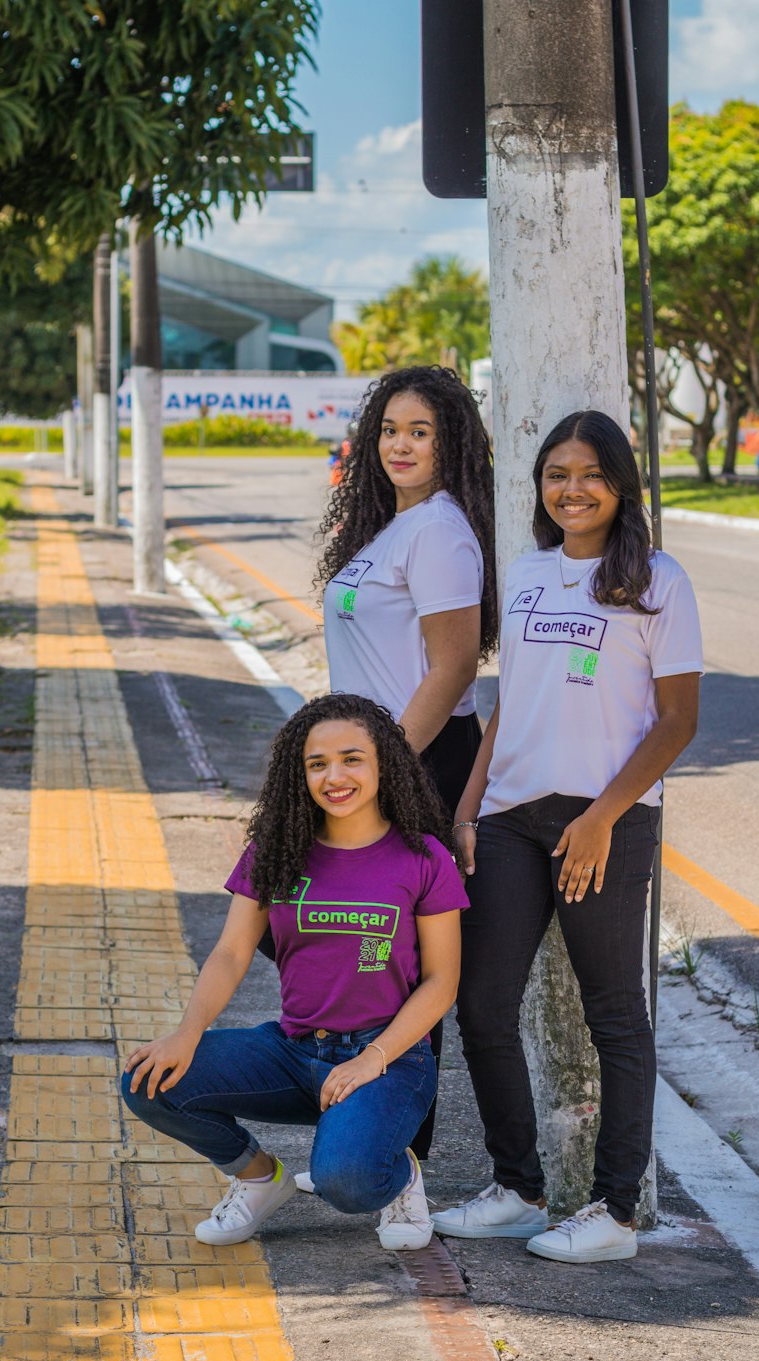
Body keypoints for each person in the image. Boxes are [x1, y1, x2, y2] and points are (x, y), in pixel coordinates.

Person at [431, 410, 703, 1265]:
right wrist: (468, 809)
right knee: (479, 1004)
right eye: (556, 474)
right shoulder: (525, 575)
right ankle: (518, 1190)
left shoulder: (660, 581)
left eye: (589, 473)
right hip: (513, 815)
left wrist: (601, 818)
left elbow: (677, 721)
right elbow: (511, 703)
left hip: (606, 824)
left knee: (615, 1015)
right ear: (540, 488)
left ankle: (616, 1213)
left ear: (620, 483)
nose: (572, 489)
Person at [121, 694, 468, 1252]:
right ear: (298, 773)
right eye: (317, 763)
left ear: (384, 764)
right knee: (147, 1082)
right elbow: (232, 953)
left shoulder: (423, 856)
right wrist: (187, 1033)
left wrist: (372, 1058)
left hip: (388, 1058)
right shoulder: (278, 851)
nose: (335, 776)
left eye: (352, 759)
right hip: (293, 1049)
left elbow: (441, 981)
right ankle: (259, 1179)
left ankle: (398, 1174)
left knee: (347, 1183)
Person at [315, 364, 497, 1158]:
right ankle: (368, 1132)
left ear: (450, 442)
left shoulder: (442, 532)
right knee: (359, 956)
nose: (400, 444)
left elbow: (454, 667)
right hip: (370, 761)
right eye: (390, 429)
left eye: (420, 431)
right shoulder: (393, 526)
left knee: (412, 967)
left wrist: (379, 768)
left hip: (417, 763)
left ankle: (398, 1154)